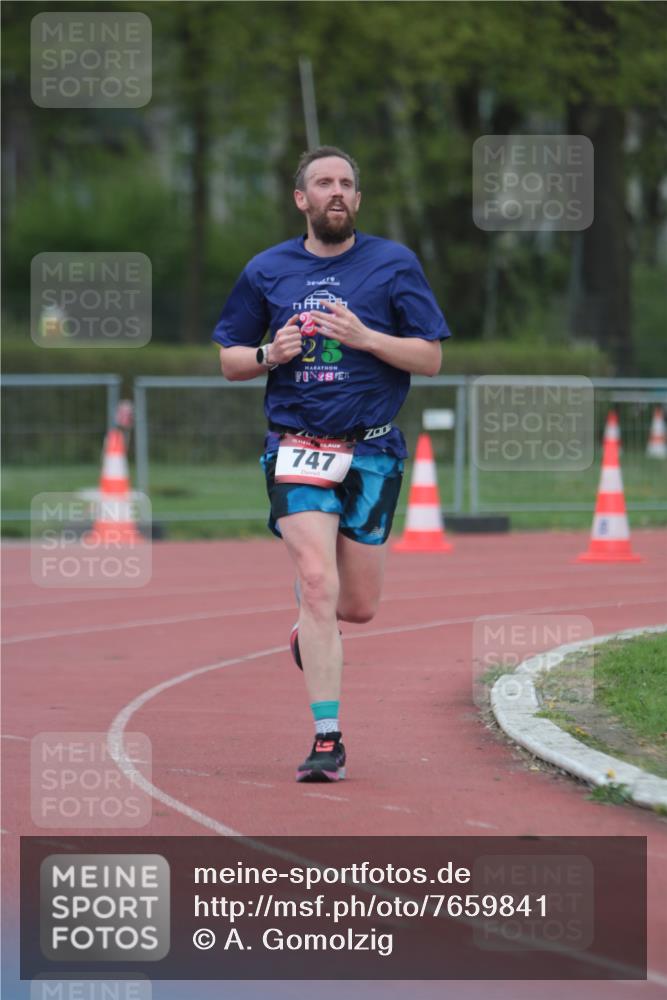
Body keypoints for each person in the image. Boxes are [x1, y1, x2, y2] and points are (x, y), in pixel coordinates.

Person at [213, 145, 450, 783]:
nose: (336, 192)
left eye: (347, 182)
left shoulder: (393, 265)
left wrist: (365, 337)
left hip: (373, 447)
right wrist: (270, 352)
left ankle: (307, 632)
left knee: (358, 606)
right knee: (317, 584)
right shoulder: (267, 270)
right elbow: (231, 360)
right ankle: (327, 738)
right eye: (324, 182)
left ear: (357, 199)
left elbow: (430, 359)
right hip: (297, 444)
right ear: (302, 199)